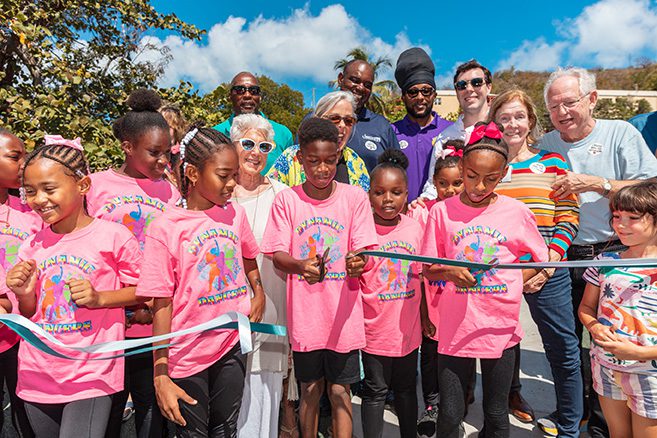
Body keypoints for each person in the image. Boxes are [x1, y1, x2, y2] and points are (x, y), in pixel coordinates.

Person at [540, 66, 657, 438]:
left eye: (569, 102)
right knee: (567, 343)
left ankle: (608, 423)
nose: (562, 112)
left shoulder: (620, 133)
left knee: (618, 337)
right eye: (554, 106)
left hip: (614, 252)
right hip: (564, 252)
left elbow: (650, 186)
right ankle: (573, 415)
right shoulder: (546, 144)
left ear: (591, 99)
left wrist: (598, 184)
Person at [4, 136, 145, 437]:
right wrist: (24, 293)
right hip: (36, 373)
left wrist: (100, 298)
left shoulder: (114, 236)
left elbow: (144, 292)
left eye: (49, 189)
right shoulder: (31, 245)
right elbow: (28, 315)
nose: (38, 199)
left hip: (90, 373)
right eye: (29, 191)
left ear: (82, 186)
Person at [422, 122, 549, 438]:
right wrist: (450, 271)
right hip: (455, 326)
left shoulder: (516, 212)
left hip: (499, 325)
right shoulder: (441, 212)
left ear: (504, 172)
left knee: (496, 413)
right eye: (472, 176)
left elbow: (540, 259)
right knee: (450, 414)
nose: (480, 186)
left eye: (491, 179)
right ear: (461, 167)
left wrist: (517, 279)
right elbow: (428, 267)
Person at [136, 126, 265, 437]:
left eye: (235, 174)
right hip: (186, 355)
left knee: (225, 428)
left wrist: (257, 291)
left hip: (230, 346)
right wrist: (161, 374)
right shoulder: (166, 227)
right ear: (193, 173)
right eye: (224, 175)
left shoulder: (234, 215)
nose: (233, 184)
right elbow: (161, 304)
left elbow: (248, 255)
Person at [260, 117, 377, 438]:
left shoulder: (354, 198)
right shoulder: (287, 200)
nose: (322, 169)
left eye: (329, 161)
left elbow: (364, 251)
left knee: (340, 392)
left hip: (345, 319)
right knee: (310, 390)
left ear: (338, 156)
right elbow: (277, 255)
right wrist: (301, 266)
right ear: (300, 159)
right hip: (307, 320)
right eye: (313, 161)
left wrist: (358, 263)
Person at [86, 89, 179, 438]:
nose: (163, 162)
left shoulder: (170, 192)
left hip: (152, 328)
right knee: (104, 418)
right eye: (153, 153)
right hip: (106, 327)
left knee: (152, 418)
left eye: (167, 152)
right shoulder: (95, 186)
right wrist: (123, 308)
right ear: (127, 146)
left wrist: (152, 307)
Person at [490, 89, 583, 436]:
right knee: (498, 346)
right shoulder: (489, 167)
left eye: (518, 116)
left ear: (530, 121)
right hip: (500, 273)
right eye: (504, 117)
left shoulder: (554, 163)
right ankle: (499, 414)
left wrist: (548, 264)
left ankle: (570, 424)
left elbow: (569, 215)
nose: (511, 123)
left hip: (550, 271)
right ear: (494, 122)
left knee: (562, 348)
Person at [228, 114, 291, 438]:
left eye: (264, 146)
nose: (256, 152)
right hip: (226, 311)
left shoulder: (282, 194)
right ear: (233, 146)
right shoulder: (220, 193)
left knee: (266, 397)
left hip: (272, 309)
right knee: (228, 392)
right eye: (248, 143)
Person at [579, 181, 657, 438]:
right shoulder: (603, 261)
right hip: (605, 366)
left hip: (650, 374)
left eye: (632, 218)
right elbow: (587, 307)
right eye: (616, 216)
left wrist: (637, 351)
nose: (620, 224)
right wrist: (594, 326)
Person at [360, 149, 423, 438]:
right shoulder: (361, 232)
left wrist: (425, 318)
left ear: (407, 194)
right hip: (373, 330)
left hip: (408, 331)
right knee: (375, 391)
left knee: (407, 390)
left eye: (396, 192)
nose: (388, 199)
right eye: (380, 192)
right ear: (369, 195)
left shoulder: (415, 229)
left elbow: (423, 277)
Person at [407, 139, 464, 438]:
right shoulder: (421, 212)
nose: (451, 190)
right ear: (434, 183)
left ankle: (457, 406)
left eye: (457, 183)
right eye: (443, 183)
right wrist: (424, 310)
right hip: (430, 297)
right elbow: (416, 264)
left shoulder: (470, 213)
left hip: (462, 299)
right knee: (430, 354)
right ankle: (431, 405)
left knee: (459, 356)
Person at [0, 128, 38, 438]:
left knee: (27, 417)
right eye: (15, 156)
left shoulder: (32, 212)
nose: (23, 163)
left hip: (25, 334)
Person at [419, 60, 493, 201]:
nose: (469, 89)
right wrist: (423, 202)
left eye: (476, 82)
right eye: (461, 85)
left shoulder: (504, 130)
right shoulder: (445, 137)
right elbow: (433, 184)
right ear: (457, 92)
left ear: (489, 87)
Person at [268, 91, 370, 191]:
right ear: (317, 119)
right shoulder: (290, 157)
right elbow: (269, 194)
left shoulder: (356, 162)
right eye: (335, 118)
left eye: (348, 120)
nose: (342, 125)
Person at [392, 47, 452, 201]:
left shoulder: (450, 131)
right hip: (402, 219)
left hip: (442, 217)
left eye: (426, 91)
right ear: (403, 97)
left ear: (434, 95)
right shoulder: (390, 132)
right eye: (413, 92)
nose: (420, 97)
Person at [213, 72, 294, 174]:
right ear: (230, 96)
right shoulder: (214, 134)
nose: (247, 95)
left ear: (260, 97)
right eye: (239, 90)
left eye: (254, 91)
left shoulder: (283, 134)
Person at [336, 59, 400, 172]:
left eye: (367, 85)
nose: (361, 87)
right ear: (341, 79)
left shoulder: (382, 127)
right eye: (355, 80)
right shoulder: (316, 119)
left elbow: (397, 173)